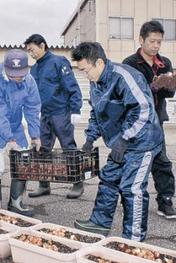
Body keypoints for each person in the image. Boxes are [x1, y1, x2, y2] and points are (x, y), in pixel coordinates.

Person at [71, 42, 163, 241]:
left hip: (142, 142)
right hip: (120, 142)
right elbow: (97, 112)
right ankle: (99, 224)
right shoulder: (95, 82)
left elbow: (143, 110)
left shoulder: (125, 77)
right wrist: (89, 139)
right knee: (109, 179)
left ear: (99, 63)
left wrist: (124, 138)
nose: (85, 76)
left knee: (132, 188)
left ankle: (134, 240)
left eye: (86, 70)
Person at [123, 21, 176, 219]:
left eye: (159, 42)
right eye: (152, 41)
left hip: (156, 121)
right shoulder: (129, 63)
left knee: (161, 161)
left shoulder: (165, 63)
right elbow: (127, 92)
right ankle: (129, 199)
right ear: (141, 40)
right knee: (134, 161)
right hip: (136, 121)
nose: (155, 46)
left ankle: (165, 201)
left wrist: (167, 84)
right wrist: (151, 86)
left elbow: (169, 93)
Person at [0, 49, 41, 216]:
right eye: (13, 74)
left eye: (21, 74)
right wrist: (9, 139)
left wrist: (35, 135)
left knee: (23, 162)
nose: (18, 78)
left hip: (14, 125)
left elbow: (32, 108)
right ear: (5, 68)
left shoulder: (29, 80)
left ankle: (15, 203)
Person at [24, 34, 83, 199]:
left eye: (32, 49)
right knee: (42, 149)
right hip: (45, 115)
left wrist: (76, 109)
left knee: (68, 148)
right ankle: (44, 185)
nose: (31, 53)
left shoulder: (59, 62)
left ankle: (77, 183)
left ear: (42, 45)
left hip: (61, 112)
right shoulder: (35, 68)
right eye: (28, 51)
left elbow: (72, 86)